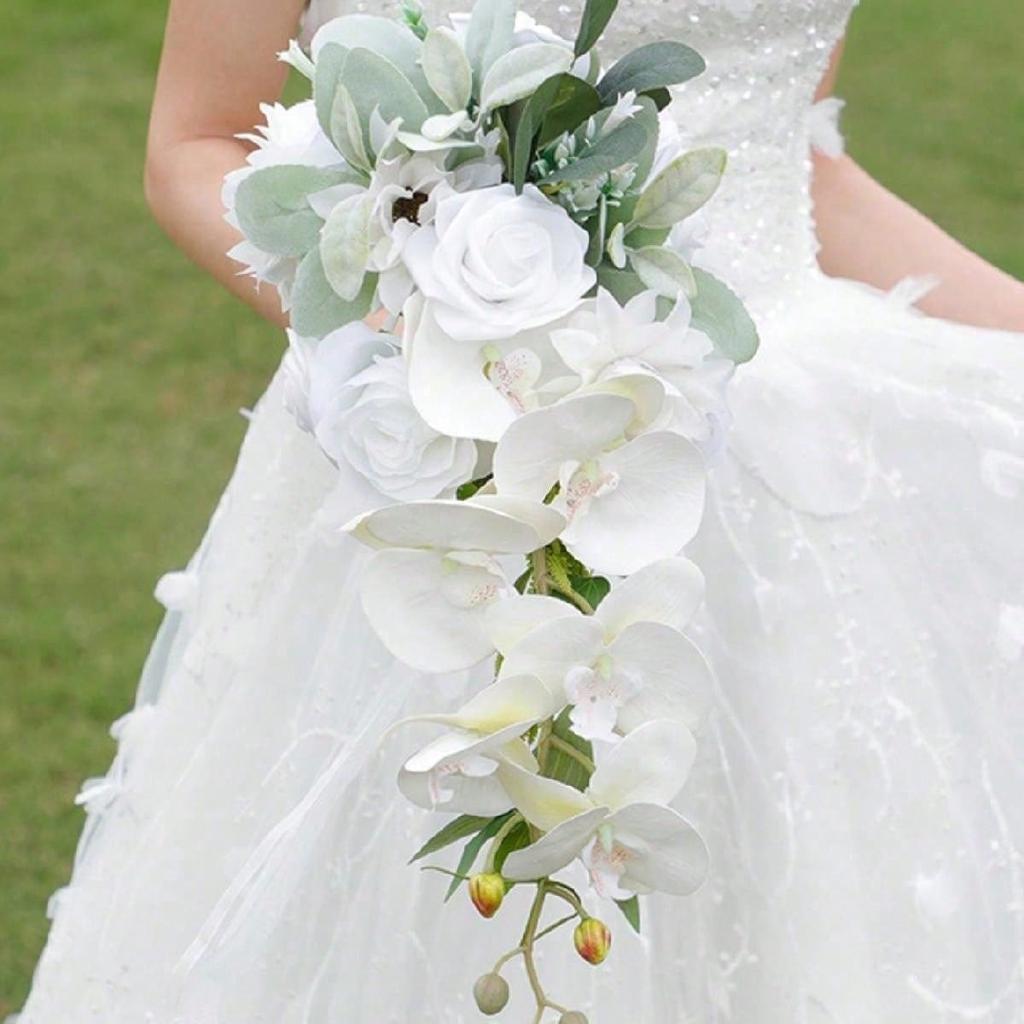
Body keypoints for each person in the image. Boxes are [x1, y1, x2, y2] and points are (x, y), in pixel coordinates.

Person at [17, 1, 1024, 1022]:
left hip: (781, 482)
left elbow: (791, 162)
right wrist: (442, 351)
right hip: (451, 477)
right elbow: (195, 143)